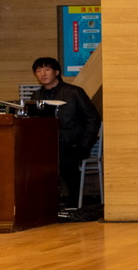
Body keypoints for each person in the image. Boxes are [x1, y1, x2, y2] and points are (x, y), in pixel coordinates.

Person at [29, 56, 101, 208]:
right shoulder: (36, 96)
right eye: (38, 71)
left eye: (47, 69)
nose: (43, 74)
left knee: (66, 165)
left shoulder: (74, 92)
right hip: (47, 146)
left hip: (74, 144)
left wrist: (85, 144)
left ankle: (73, 205)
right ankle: (43, 205)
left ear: (56, 72)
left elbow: (93, 119)